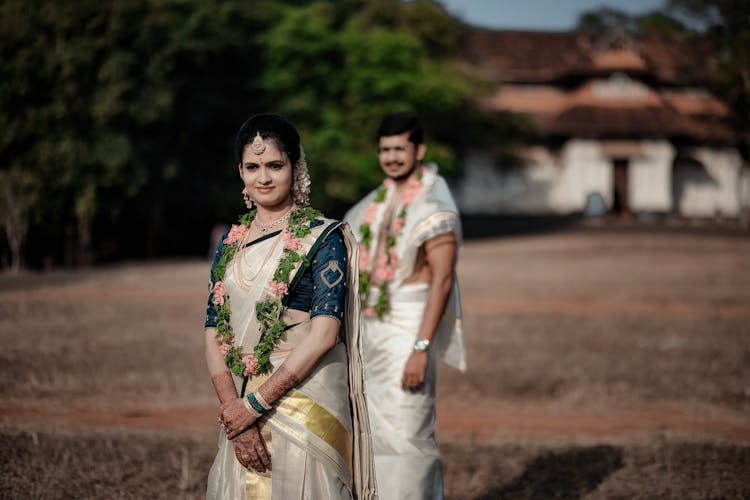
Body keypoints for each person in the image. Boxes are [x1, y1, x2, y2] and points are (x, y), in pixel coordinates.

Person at [203, 113, 377, 499]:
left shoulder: (323, 238)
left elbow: (325, 334)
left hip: (306, 397)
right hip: (242, 402)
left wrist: (256, 405)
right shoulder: (230, 243)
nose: (263, 178)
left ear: (295, 168)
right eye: (253, 167)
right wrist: (236, 412)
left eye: (274, 166)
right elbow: (213, 331)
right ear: (240, 172)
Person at [344, 112, 466, 499]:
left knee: (408, 434)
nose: (392, 157)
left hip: (409, 329)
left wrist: (421, 348)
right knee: (369, 435)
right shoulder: (370, 205)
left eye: (400, 148)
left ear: (419, 150)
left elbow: (442, 280)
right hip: (369, 330)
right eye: (385, 149)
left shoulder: (432, 206)